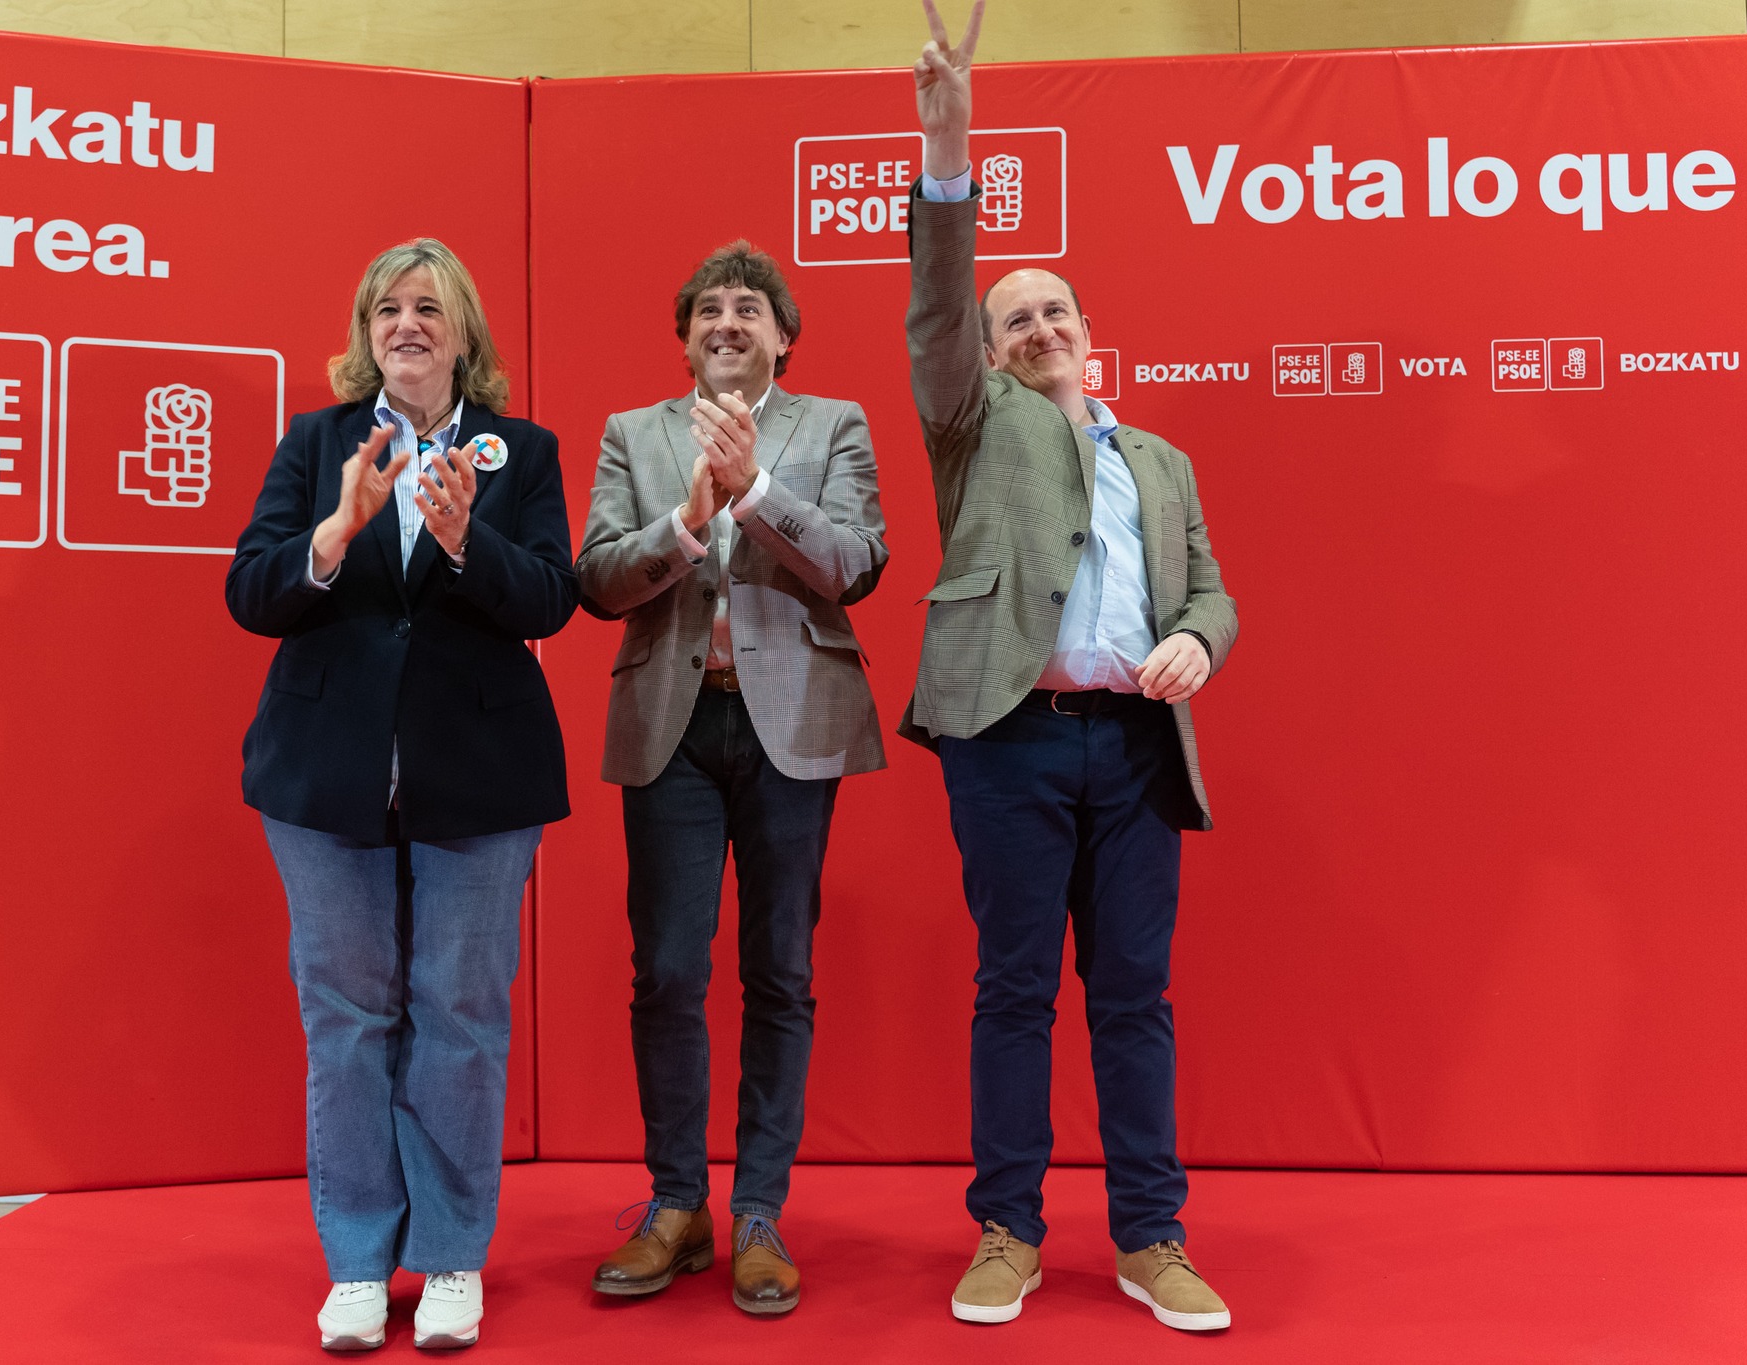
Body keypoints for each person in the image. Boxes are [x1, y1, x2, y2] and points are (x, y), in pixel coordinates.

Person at [904, 1, 1240, 1332]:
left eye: (1054, 308)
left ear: (1090, 326)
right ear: (988, 355)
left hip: (1137, 750)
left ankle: (1153, 1235)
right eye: (1014, 318)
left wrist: (1194, 639)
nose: (1037, 324)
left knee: (1137, 998)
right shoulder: (973, 430)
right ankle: (1008, 1228)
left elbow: (1209, 586)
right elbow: (938, 299)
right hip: (1013, 739)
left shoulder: (1160, 460)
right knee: (1015, 988)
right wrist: (948, 134)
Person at [225, 238, 577, 1352]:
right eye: (388, 308)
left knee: (460, 1017)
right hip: (324, 778)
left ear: (464, 331)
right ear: (364, 331)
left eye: (429, 308)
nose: (406, 325)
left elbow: (551, 601)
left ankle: (454, 1257)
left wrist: (470, 538)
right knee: (345, 1020)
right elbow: (251, 588)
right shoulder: (318, 439)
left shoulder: (520, 451)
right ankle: (357, 1266)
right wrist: (334, 533)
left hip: (479, 777)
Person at [576, 241, 888, 1315]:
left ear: (782, 336)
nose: (725, 323)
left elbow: (853, 563)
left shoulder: (833, 424)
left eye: (747, 309)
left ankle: (757, 1211)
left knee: (779, 971)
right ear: (682, 337)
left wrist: (752, 491)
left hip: (791, 724)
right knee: (664, 969)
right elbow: (597, 579)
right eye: (706, 309)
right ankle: (677, 1206)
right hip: (671, 722)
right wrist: (680, 520)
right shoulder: (633, 434)